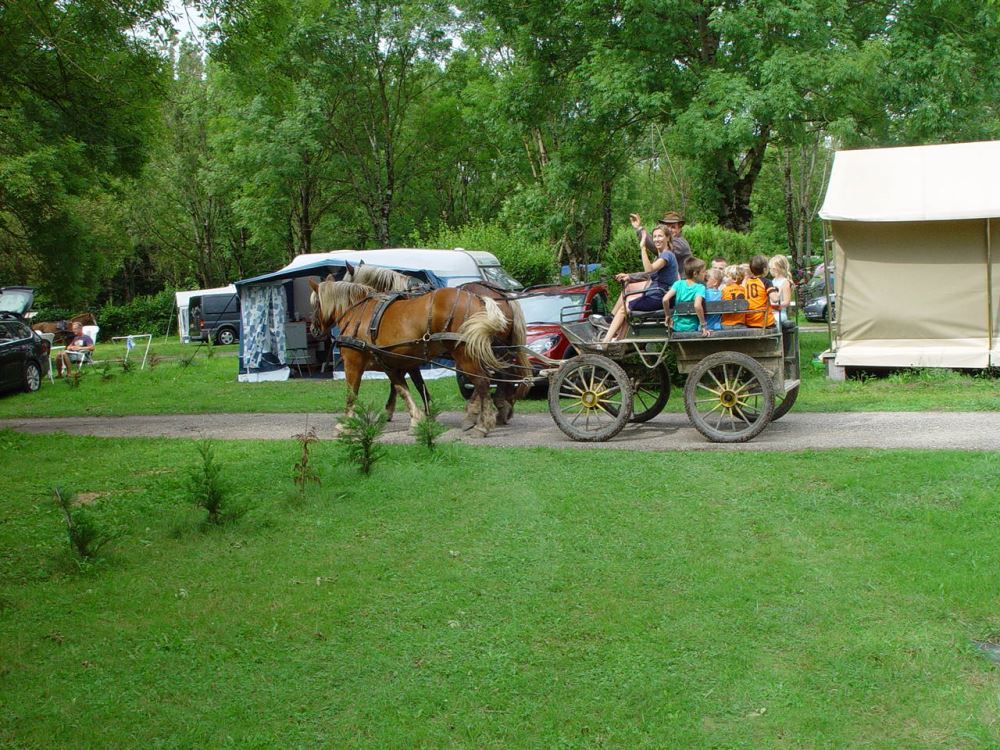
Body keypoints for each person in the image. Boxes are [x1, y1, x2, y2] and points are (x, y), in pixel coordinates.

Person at [601, 219, 679, 343]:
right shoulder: (665, 255)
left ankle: (605, 342)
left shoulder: (666, 255)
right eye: (654, 236)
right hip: (659, 295)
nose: (656, 239)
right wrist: (629, 276)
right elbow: (651, 274)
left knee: (624, 309)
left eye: (660, 236)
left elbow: (649, 269)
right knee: (629, 303)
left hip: (658, 297)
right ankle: (618, 339)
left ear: (668, 238)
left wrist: (643, 248)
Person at [663, 257, 711, 337]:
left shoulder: (678, 284)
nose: (705, 273)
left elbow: (665, 299)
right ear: (695, 274)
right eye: (703, 271)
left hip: (677, 326)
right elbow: (697, 305)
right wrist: (703, 325)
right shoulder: (700, 287)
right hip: (692, 327)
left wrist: (667, 315)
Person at [743, 255, 778, 328]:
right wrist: (776, 291)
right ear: (765, 269)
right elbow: (775, 299)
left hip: (749, 321)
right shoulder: (766, 282)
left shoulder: (746, 282)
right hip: (764, 321)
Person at [768, 254, 794, 324]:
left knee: (775, 320)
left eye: (772, 268)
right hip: (770, 312)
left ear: (778, 268)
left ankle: (777, 334)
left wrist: (775, 305)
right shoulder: (772, 281)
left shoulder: (785, 282)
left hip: (780, 313)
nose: (770, 270)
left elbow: (786, 302)